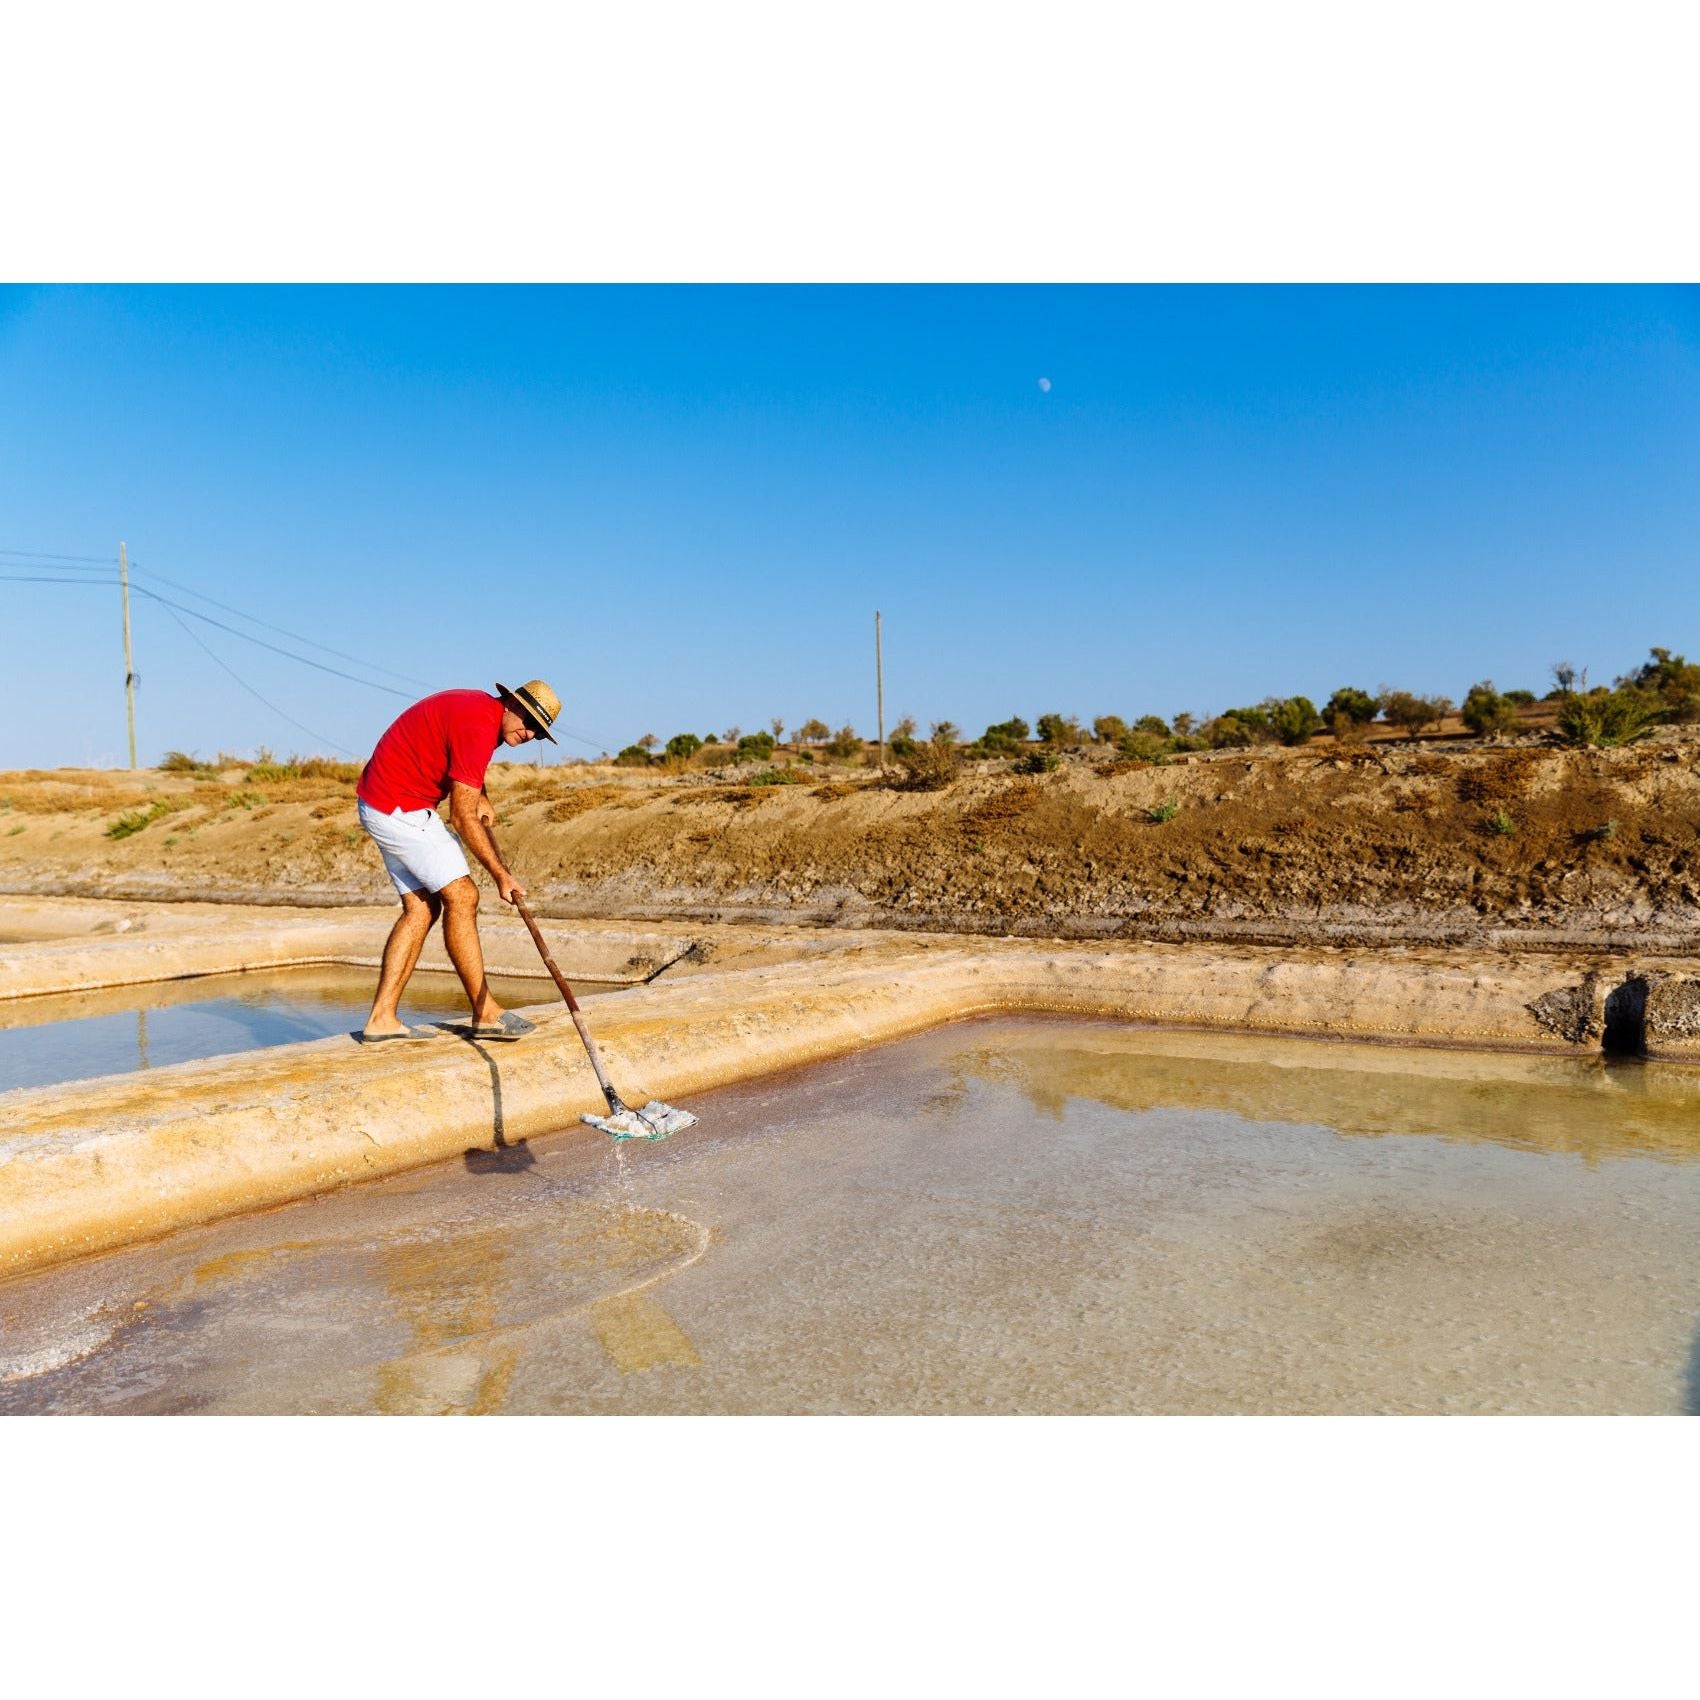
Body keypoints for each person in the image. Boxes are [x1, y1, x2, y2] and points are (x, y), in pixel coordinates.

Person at [354, 678, 562, 1043]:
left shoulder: (478, 712)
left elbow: (459, 764)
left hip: (381, 803)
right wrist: (502, 875)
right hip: (401, 808)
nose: (529, 734)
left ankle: (382, 1018)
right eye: (528, 721)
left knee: (420, 909)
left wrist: (482, 794)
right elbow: (462, 817)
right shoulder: (479, 724)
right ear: (511, 703)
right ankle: (484, 1012)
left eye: (538, 732)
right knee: (464, 897)